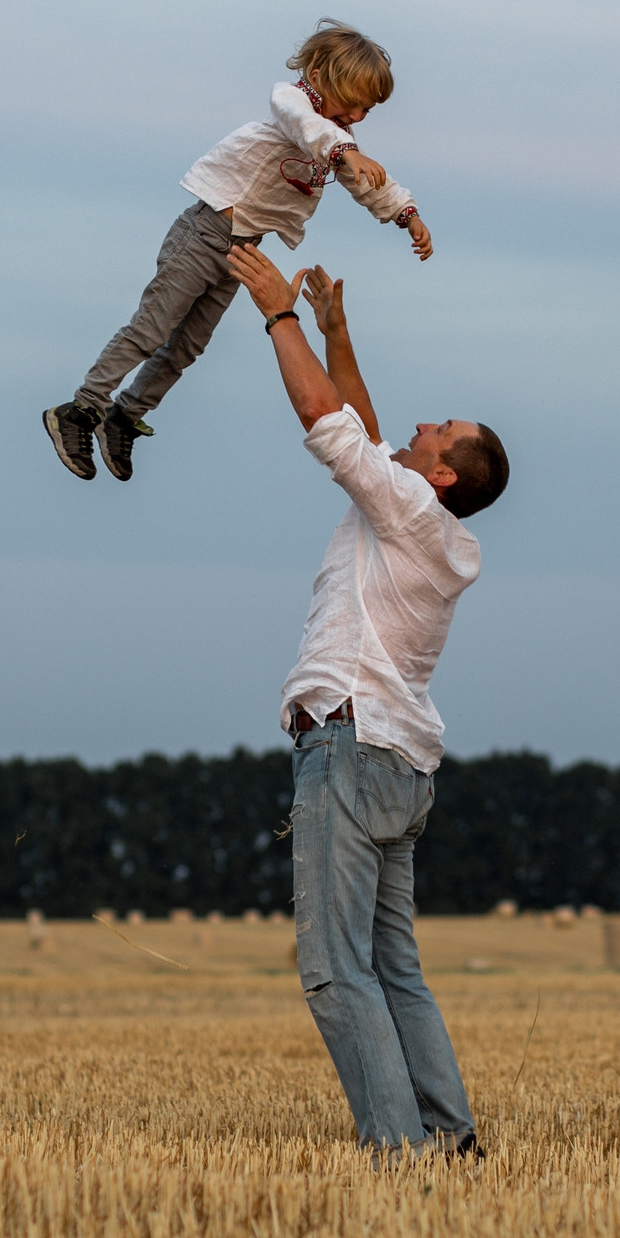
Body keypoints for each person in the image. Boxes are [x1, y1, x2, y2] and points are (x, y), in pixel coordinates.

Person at [224, 240, 507, 1158]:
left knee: (334, 971)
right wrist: (340, 333)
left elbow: (327, 421)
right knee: (396, 968)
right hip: (402, 763)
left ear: (445, 476)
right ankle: (449, 1139)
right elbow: (367, 425)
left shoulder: (413, 512)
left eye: (437, 431)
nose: (420, 426)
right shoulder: (432, 526)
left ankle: (400, 1153)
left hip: (346, 746)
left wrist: (280, 316)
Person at [43, 19, 431, 484]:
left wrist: (406, 214)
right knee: (153, 326)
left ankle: (125, 416)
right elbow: (312, 129)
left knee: (188, 345)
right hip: (204, 231)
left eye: (369, 110)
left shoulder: (333, 144)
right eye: (356, 103)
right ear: (327, 79)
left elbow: (367, 183)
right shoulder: (293, 105)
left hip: (241, 251)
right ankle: (83, 408)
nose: (359, 117)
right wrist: (347, 151)